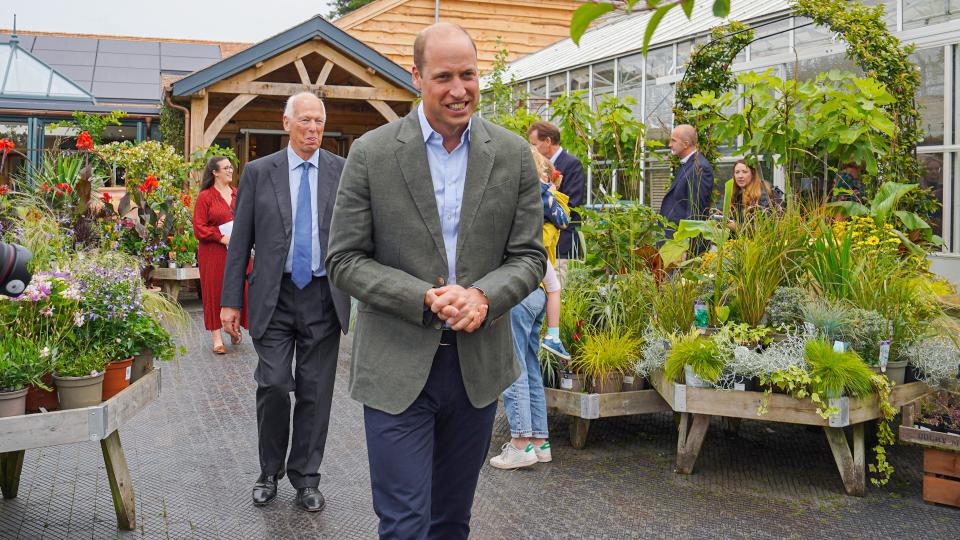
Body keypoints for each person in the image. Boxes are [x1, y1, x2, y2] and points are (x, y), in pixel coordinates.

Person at [326, 23, 546, 540]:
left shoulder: (511, 154)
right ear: (416, 77)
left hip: (476, 370)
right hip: (396, 367)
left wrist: (482, 296)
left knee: (451, 522)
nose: (458, 89)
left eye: (468, 75)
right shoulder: (373, 152)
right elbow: (344, 259)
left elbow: (529, 257)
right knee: (404, 525)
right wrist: (421, 298)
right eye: (443, 76)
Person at [220, 92, 350, 513]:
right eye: (306, 121)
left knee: (315, 392)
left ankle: (307, 479)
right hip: (273, 298)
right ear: (286, 123)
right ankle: (268, 470)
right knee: (274, 385)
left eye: (319, 122)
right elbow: (240, 241)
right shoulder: (260, 172)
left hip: (322, 297)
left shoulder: (341, 171)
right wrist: (229, 302)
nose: (313, 129)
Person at [489, 147, 567, 470]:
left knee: (513, 366)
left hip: (520, 292)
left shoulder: (525, 201)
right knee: (531, 367)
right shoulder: (552, 205)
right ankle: (539, 441)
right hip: (539, 291)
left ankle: (519, 443)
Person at [192, 156, 246, 354]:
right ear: (215, 172)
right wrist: (220, 237)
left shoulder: (237, 195)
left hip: (236, 251)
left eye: (231, 167)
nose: (230, 171)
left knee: (239, 288)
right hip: (213, 252)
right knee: (214, 290)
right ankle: (217, 338)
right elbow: (199, 227)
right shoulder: (205, 197)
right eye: (226, 168)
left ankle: (233, 327)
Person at [528, 120, 585, 283]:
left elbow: (573, 203)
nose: (532, 149)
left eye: (534, 144)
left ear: (547, 141)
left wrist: (549, 196)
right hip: (539, 244)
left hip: (562, 244)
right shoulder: (535, 164)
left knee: (556, 288)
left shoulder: (572, 164)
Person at [660, 124, 714, 239]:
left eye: (674, 141)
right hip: (675, 242)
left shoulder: (700, 168)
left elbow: (696, 213)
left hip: (682, 246)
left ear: (685, 144)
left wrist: (686, 246)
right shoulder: (688, 164)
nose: (670, 145)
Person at [726, 159, 778, 223]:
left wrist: (737, 228)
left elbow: (765, 226)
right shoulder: (737, 194)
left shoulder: (763, 193)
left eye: (744, 172)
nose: (740, 176)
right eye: (737, 172)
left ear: (752, 174)